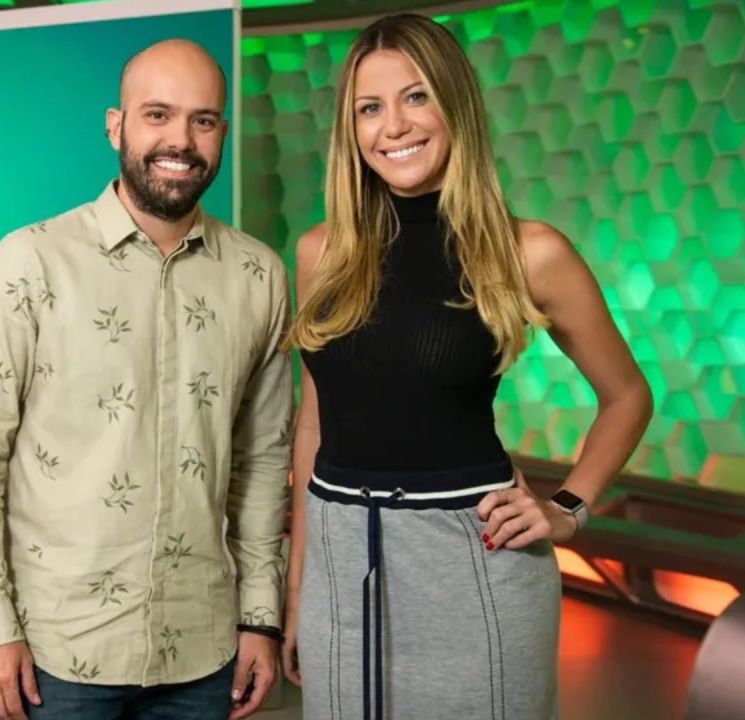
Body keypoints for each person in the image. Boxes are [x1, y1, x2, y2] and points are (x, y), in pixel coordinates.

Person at [279, 13, 653, 720]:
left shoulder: (529, 252)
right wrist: (301, 587)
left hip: (471, 561)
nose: (393, 125)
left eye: (416, 96)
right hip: (339, 568)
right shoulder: (319, 252)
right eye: (370, 107)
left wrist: (568, 509)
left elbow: (628, 396)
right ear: (350, 131)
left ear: (456, 106)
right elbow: (313, 426)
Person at [0, 38, 293, 720]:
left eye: (203, 120)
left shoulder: (260, 276)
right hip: (58, 653)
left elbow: (263, 461)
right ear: (115, 125)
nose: (180, 140)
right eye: (157, 114)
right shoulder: (29, 263)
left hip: (203, 650)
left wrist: (261, 617)